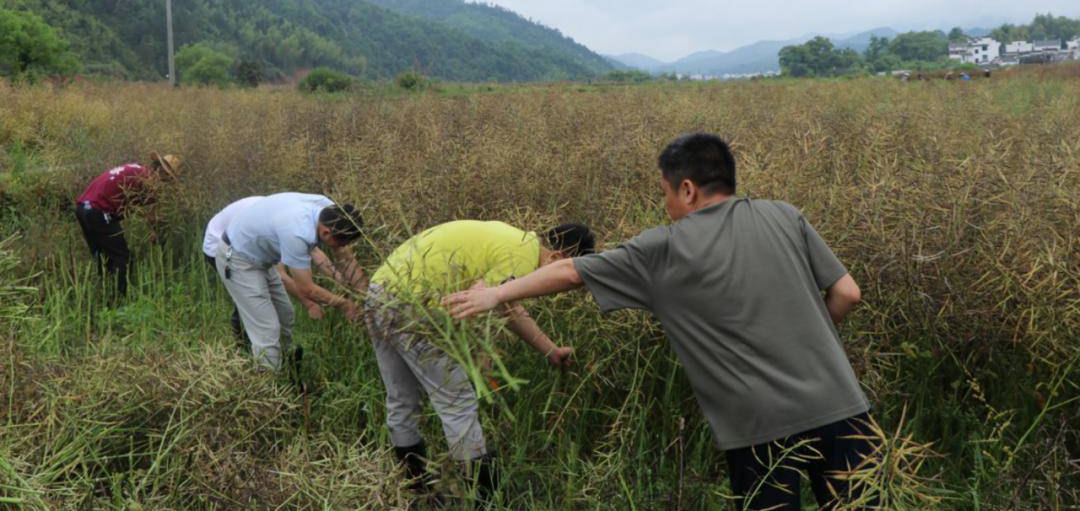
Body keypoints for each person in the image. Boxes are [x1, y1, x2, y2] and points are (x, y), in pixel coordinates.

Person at [444, 133, 874, 510]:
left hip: (759, 428)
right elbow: (847, 293)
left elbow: (572, 271)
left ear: (687, 189)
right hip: (844, 407)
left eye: (665, 193)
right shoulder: (784, 214)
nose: (665, 204)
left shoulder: (664, 247)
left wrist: (497, 293)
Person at [364, 220, 594, 501]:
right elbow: (476, 300)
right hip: (415, 305)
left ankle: (416, 489)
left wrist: (550, 350)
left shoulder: (516, 240)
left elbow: (505, 304)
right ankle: (487, 497)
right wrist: (478, 351)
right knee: (458, 402)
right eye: (563, 276)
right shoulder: (521, 255)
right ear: (558, 259)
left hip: (380, 293)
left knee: (401, 398)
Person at [215, 192, 364, 371]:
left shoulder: (331, 211)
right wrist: (345, 305)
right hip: (238, 259)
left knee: (286, 315)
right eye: (339, 243)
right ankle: (267, 389)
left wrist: (365, 297)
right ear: (326, 232)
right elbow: (306, 289)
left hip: (262, 257)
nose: (340, 248)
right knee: (267, 330)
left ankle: (285, 370)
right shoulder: (298, 233)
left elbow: (345, 258)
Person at [202, 196, 326, 349]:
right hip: (219, 245)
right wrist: (310, 304)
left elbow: (315, 253)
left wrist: (342, 281)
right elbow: (282, 276)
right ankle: (244, 349)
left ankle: (280, 354)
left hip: (248, 247)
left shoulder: (293, 219)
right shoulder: (279, 224)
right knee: (253, 306)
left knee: (274, 310)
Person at [74, 153, 181, 302]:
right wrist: (156, 232)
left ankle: (104, 297)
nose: (167, 183)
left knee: (103, 258)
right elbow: (151, 215)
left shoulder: (138, 168)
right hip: (99, 212)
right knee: (122, 259)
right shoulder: (150, 181)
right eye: (169, 178)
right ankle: (119, 301)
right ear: (162, 172)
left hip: (83, 208)